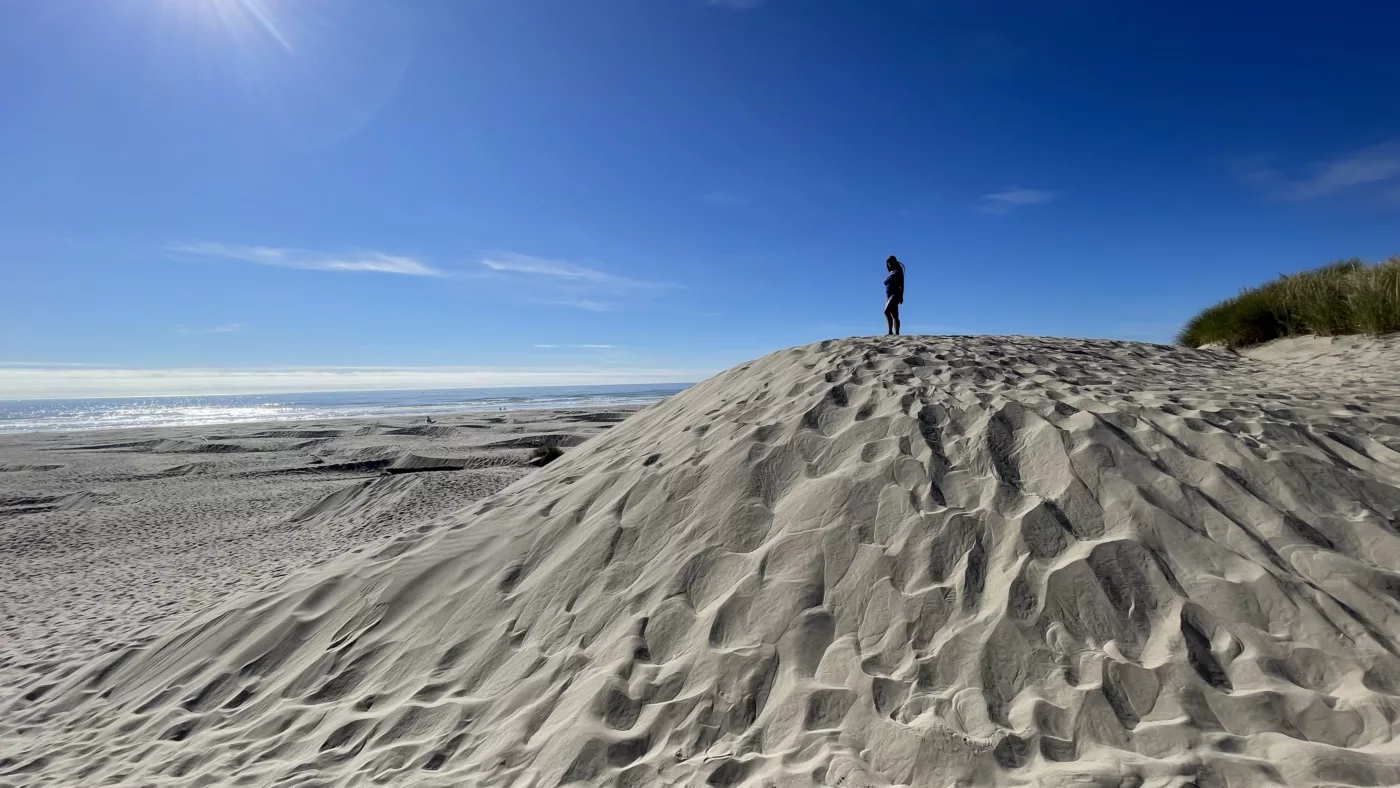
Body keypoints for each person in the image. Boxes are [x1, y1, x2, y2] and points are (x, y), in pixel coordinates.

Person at [883, 255, 905, 335]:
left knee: (886, 312)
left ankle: (890, 332)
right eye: (888, 262)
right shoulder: (890, 273)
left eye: (889, 261)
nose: (888, 263)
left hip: (894, 295)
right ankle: (895, 333)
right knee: (894, 314)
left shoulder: (898, 272)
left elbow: (902, 284)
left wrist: (901, 296)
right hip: (889, 296)